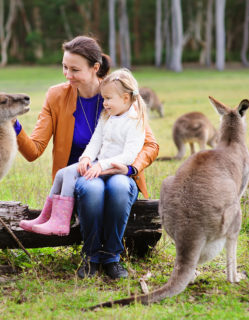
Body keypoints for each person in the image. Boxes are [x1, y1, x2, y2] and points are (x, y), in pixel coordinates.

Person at [14, 35, 159, 279]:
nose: (67, 75)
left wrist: (131, 169)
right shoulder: (56, 96)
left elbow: (151, 145)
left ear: (95, 68)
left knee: (120, 187)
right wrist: (14, 126)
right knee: (91, 190)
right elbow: (33, 150)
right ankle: (91, 256)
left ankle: (112, 257)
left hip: (119, 171)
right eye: (64, 67)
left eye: (74, 69)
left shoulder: (121, 93)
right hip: (81, 176)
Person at [19, 68, 146, 239]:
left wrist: (104, 165)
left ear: (125, 98)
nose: (104, 103)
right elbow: (95, 141)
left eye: (108, 99)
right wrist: (86, 157)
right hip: (98, 163)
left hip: (112, 168)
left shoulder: (134, 119)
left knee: (72, 176)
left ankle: (61, 222)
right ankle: (47, 217)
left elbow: (131, 154)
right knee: (62, 174)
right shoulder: (107, 115)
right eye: (104, 99)